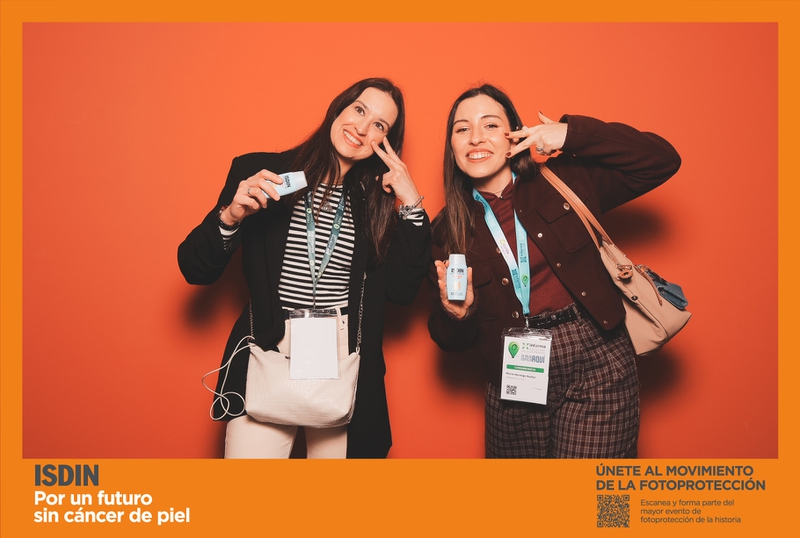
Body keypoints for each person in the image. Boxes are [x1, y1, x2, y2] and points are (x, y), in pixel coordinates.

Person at [178, 78, 430, 459]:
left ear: (387, 142)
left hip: (343, 362)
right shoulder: (262, 174)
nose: (363, 128)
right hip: (268, 351)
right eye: (359, 110)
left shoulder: (375, 203)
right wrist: (230, 216)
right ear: (339, 108)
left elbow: (402, 290)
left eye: (379, 125)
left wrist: (411, 205)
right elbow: (194, 267)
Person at [427, 84, 681, 458]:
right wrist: (457, 314)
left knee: (588, 493)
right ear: (452, 147)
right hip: (512, 369)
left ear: (514, 133)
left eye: (491, 124)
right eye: (462, 129)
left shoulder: (565, 180)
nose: (476, 137)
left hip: (595, 353)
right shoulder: (445, 230)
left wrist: (570, 133)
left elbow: (662, 160)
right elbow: (449, 340)